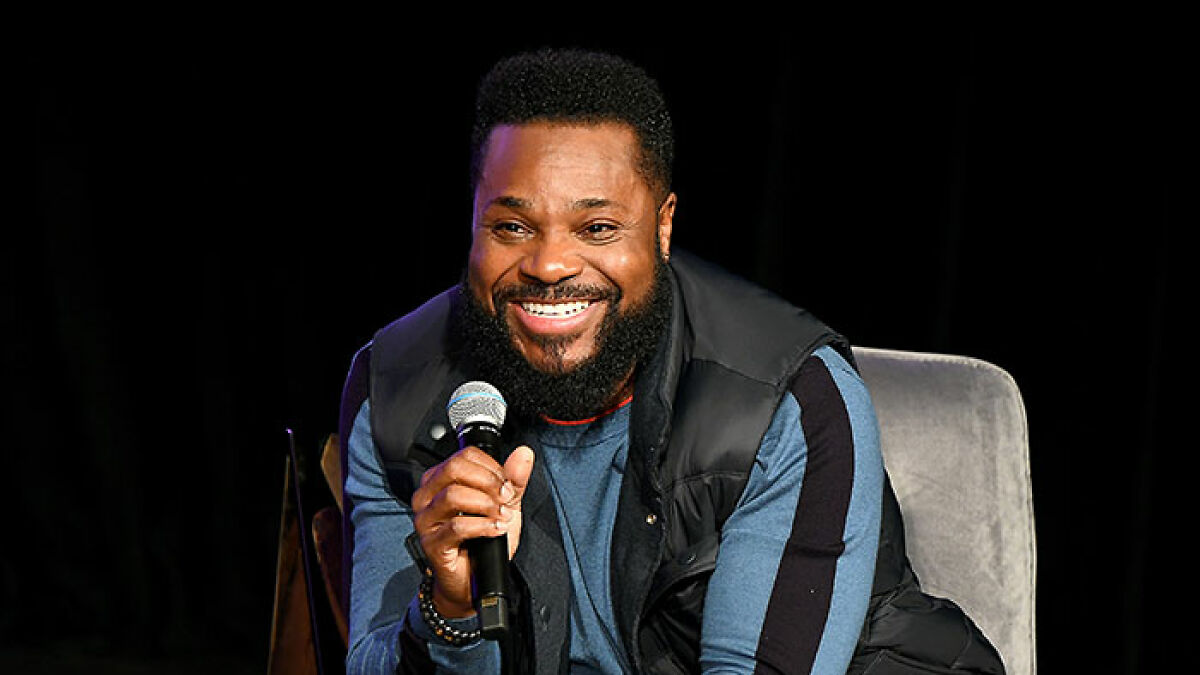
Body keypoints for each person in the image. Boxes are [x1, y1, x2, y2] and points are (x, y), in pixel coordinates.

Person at [339, 48, 1005, 674]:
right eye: (511, 225)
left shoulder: (788, 398)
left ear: (661, 226)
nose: (547, 265)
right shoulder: (396, 388)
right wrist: (450, 611)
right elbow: (371, 655)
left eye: (597, 227)